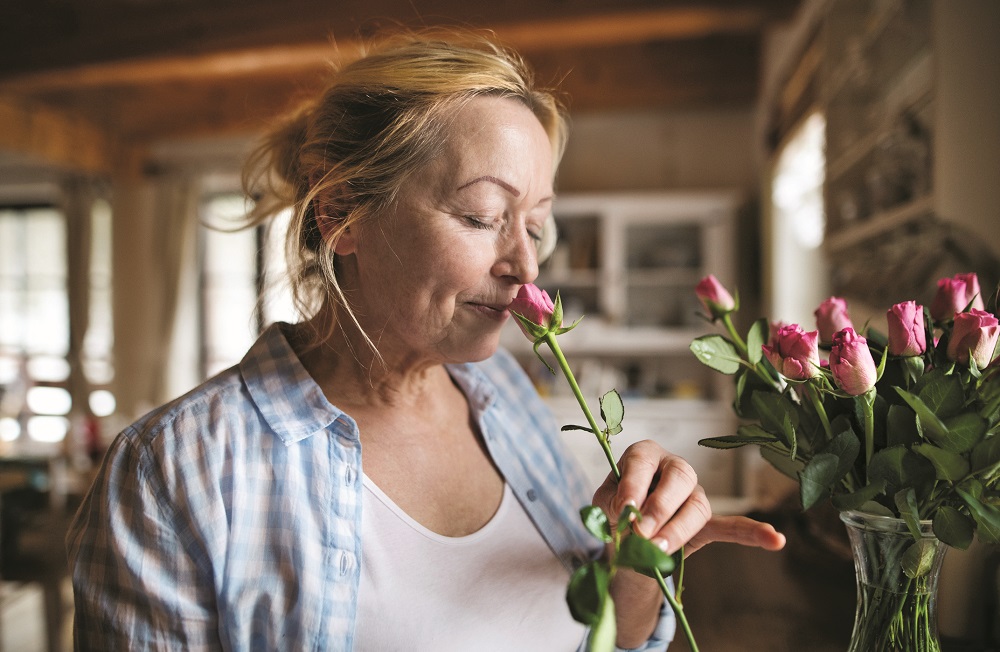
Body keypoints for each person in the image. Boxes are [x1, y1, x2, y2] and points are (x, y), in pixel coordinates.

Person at [66, 28, 784, 651]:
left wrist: (638, 564)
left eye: (534, 224)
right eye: (480, 216)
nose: (526, 267)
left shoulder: (506, 393)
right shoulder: (171, 474)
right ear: (342, 212)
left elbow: (614, 638)